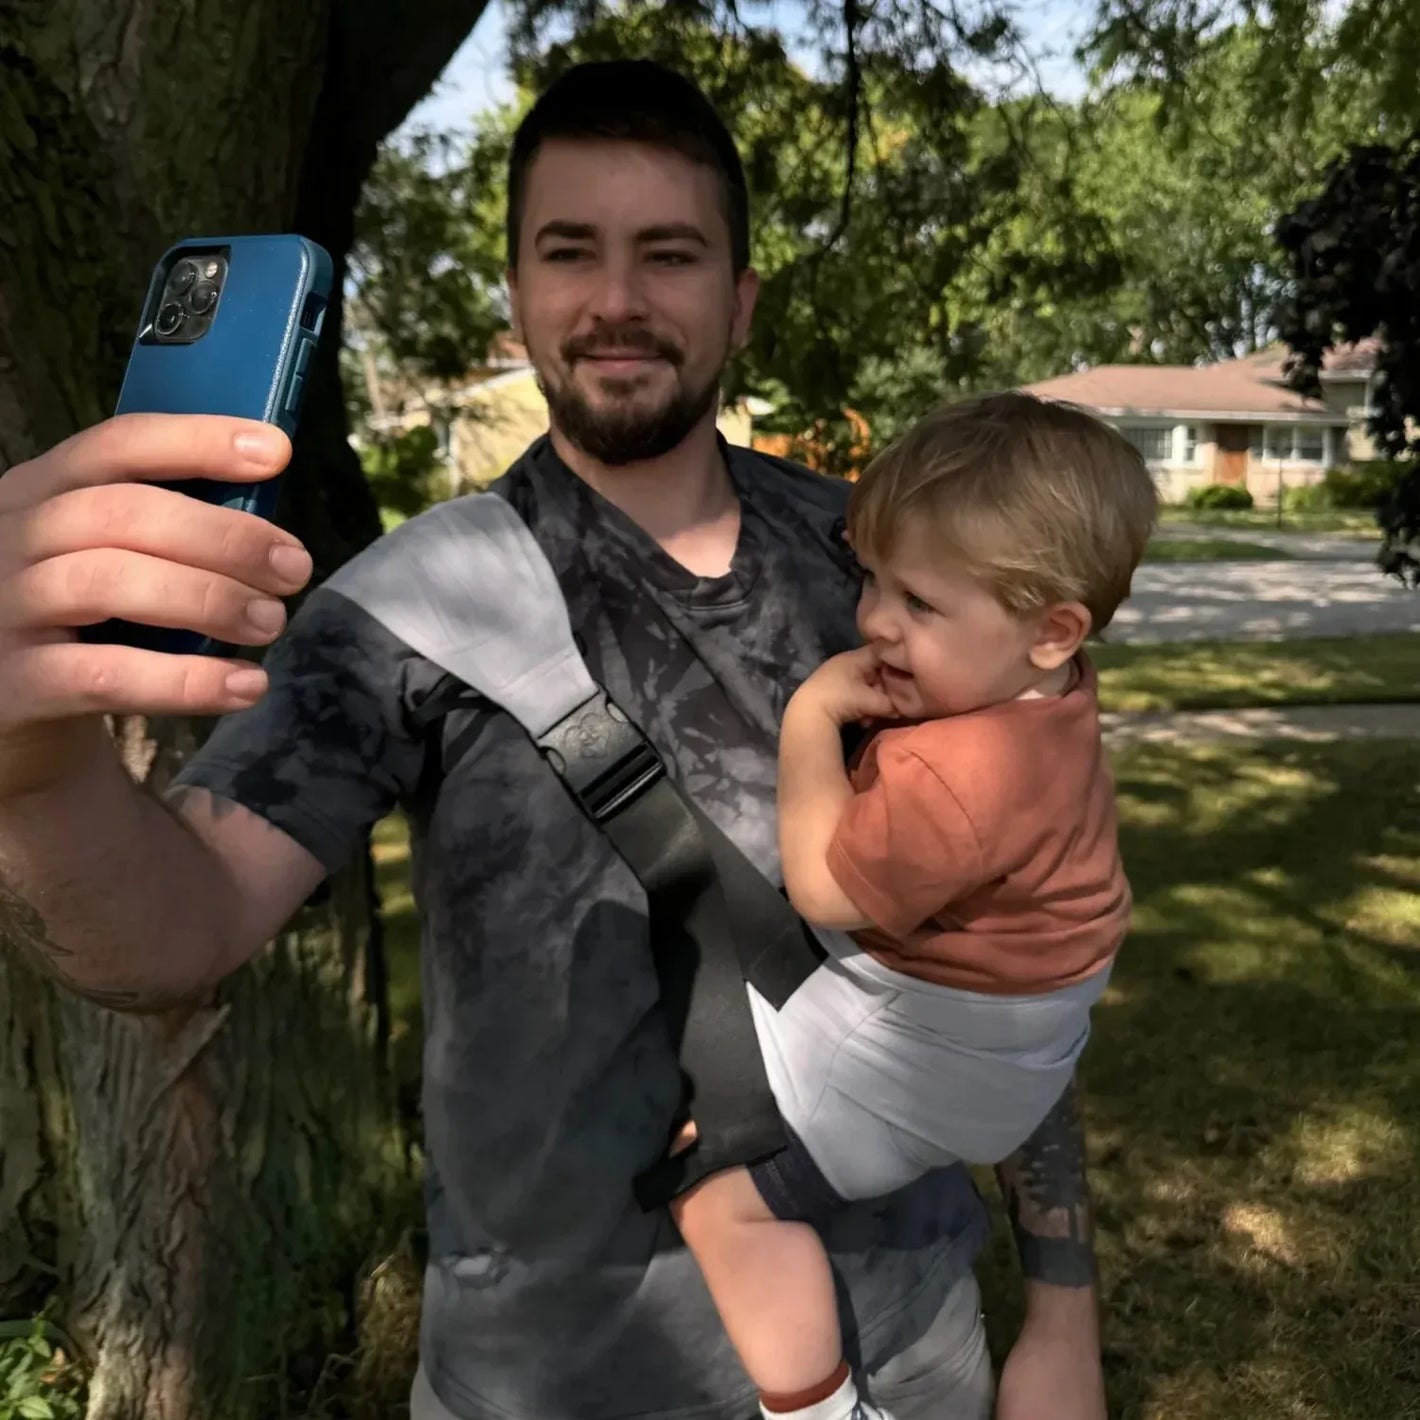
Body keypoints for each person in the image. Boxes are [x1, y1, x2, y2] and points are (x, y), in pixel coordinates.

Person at [0, 59, 1108, 1420]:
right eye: (570, 251)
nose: (619, 299)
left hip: (911, 1346)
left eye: (672, 254)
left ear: (740, 300)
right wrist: (32, 770)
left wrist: (1061, 1315)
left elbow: (1016, 944)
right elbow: (168, 941)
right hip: (550, 1380)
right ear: (519, 293)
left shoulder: (896, 569)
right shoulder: (404, 611)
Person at [670, 393, 1157, 1420]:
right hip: (1022, 1037)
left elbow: (825, 885)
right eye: (871, 580)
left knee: (722, 1206)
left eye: (919, 604)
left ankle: (815, 1406)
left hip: (927, 1067)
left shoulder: (957, 773)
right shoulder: (1054, 692)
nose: (874, 622)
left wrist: (813, 717)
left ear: (1050, 628)